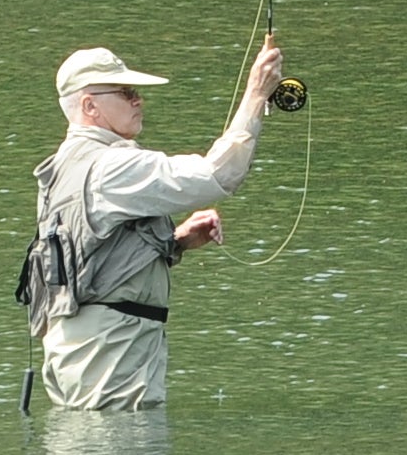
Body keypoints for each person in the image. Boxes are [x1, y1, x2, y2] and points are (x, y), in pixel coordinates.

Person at [22, 37, 282, 411]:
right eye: (125, 92)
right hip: (110, 353)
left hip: (80, 346)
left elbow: (90, 255)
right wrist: (257, 94)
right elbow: (221, 174)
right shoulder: (110, 167)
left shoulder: (64, 164)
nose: (138, 99)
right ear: (89, 105)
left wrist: (174, 242)